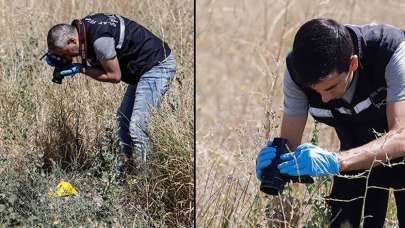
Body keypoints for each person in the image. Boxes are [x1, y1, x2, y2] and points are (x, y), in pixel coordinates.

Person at [256, 18, 405, 227]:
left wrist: (336, 161)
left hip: (396, 142)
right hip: (355, 149)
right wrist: (277, 165)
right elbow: (290, 143)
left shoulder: (391, 51)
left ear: (352, 63)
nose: (324, 100)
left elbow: (401, 137)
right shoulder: (297, 72)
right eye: (315, 91)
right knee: (342, 221)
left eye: (331, 88)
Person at [45, 13, 176, 183]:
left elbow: (114, 76)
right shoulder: (83, 29)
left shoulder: (100, 41)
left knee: (138, 126)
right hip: (142, 70)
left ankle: (146, 183)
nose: (68, 58)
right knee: (123, 121)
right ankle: (124, 175)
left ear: (72, 41)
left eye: (66, 53)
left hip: (157, 66)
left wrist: (80, 69)